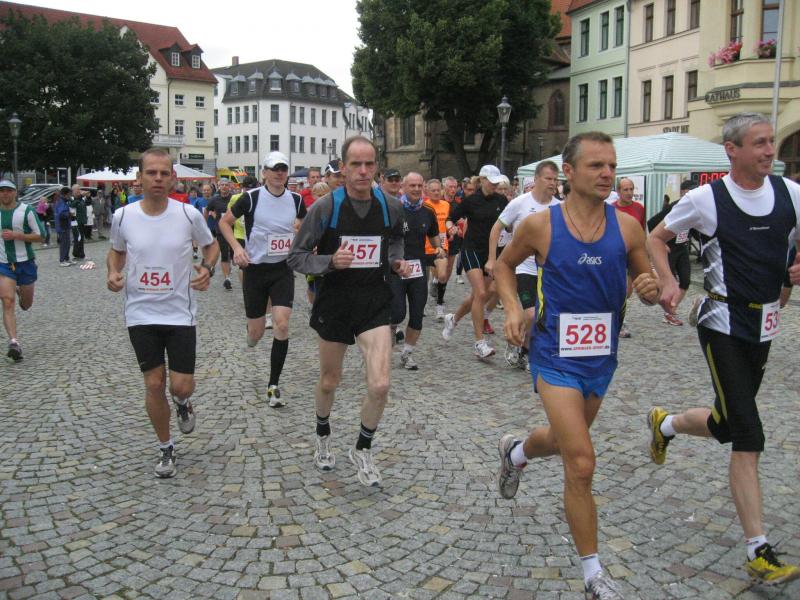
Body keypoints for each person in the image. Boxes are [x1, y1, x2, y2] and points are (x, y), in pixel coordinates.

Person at [494, 131, 660, 599]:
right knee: (582, 461)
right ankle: (593, 574)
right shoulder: (540, 225)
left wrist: (649, 289)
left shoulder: (628, 228)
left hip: (601, 357)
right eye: (596, 166)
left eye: (612, 166)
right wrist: (512, 308)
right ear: (568, 172)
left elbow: (645, 281)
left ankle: (516, 453)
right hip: (553, 354)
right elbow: (503, 266)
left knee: (564, 440)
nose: (607, 174)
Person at [647, 112, 800, 585]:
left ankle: (666, 424)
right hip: (721, 323)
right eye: (760, 143)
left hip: (765, 323)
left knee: (726, 422)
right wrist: (668, 280)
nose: (770, 151)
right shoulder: (705, 200)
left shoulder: (791, 194)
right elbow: (656, 238)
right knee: (748, 434)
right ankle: (758, 551)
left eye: (771, 142)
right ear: (732, 150)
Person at [288, 136, 410, 487]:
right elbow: (296, 256)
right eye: (355, 164)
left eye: (369, 164)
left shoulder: (390, 205)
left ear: (376, 166)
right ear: (343, 167)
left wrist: (396, 261)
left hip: (374, 302)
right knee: (330, 380)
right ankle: (323, 435)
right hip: (335, 302)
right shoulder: (326, 207)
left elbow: (396, 239)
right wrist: (329, 261)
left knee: (381, 384)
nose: (363, 171)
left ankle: (363, 449)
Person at [107, 148, 219, 479]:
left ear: (173, 177)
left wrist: (207, 268)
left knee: (181, 386)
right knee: (154, 383)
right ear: (139, 177)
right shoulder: (123, 216)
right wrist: (113, 272)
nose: (157, 178)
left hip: (180, 313)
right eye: (151, 173)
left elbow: (211, 246)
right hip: (140, 313)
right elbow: (116, 252)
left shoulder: (188, 214)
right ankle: (165, 446)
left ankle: (183, 403)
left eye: (164, 173)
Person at [220, 155, 306, 408]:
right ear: (264, 172)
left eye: (283, 169)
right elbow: (224, 223)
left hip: (282, 270)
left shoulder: (296, 199)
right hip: (255, 271)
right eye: (274, 169)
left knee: (282, 324)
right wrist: (237, 248)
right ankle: (252, 332)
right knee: (256, 333)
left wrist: (300, 237)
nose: (279, 173)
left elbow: (303, 224)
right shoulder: (251, 198)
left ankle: (273, 385)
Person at [487, 160, 561, 369]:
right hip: (523, 267)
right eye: (548, 178)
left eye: (555, 179)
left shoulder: (559, 207)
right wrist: (492, 259)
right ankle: (520, 345)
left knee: (544, 316)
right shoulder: (520, 203)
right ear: (536, 179)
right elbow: (496, 228)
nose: (552, 183)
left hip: (548, 270)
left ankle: (524, 349)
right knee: (530, 313)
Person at [441, 165, 508, 359]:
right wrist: (451, 227)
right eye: (491, 182)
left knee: (478, 296)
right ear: (482, 180)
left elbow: (509, 223)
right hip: (471, 250)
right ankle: (480, 343)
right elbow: (450, 218)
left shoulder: (501, 200)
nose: (494, 185)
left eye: (497, 182)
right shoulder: (471, 201)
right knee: (481, 293)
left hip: (490, 253)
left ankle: (453, 318)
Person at [391, 172, 444, 370]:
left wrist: (439, 248)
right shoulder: (394, 209)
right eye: (412, 185)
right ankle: (386, 345)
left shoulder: (428, 212)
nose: (416, 189)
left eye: (419, 186)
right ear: (403, 187)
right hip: (396, 269)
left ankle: (407, 353)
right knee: (396, 313)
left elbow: (434, 236)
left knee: (417, 315)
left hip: (418, 269)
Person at [0, 179, 44, 362]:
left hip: (25, 263)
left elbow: (41, 236)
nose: (5, 194)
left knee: (26, 304)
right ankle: (14, 342)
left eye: (8, 190)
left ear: (15, 192)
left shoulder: (27, 210)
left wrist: (17, 235)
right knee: (7, 301)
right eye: (1, 191)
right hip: (4, 264)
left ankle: (20, 292)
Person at [647, 179, 697, 325]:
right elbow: (651, 223)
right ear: (682, 193)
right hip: (670, 249)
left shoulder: (696, 207)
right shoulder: (674, 207)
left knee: (685, 281)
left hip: (682, 248)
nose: (692, 195)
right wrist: (660, 243)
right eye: (688, 192)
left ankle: (671, 310)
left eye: (694, 191)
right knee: (670, 282)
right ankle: (668, 313)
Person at [423, 178, 450, 320]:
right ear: (427, 191)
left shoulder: (446, 205)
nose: (436, 193)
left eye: (438, 190)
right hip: (424, 248)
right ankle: (422, 304)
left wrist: (451, 228)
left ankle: (440, 306)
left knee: (443, 276)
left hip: (440, 247)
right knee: (423, 280)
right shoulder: (423, 206)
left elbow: (448, 221)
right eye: (433, 190)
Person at [204, 178, 234, 290]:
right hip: (221, 230)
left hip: (235, 230)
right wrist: (204, 223)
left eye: (226, 185)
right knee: (224, 254)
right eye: (222, 185)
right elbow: (207, 210)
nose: (224, 187)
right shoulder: (215, 200)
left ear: (229, 186)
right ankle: (227, 279)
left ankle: (230, 265)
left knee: (234, 256)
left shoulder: (234, 198)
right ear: (219, 187)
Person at [54, 188, 72, 266]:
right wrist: (69, 214)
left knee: (68, 243)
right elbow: (61, 214)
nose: (70, 196)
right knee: (64, 244)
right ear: (66, 194)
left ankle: (66, 258)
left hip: (65, 225)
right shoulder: (61, 202)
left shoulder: (64, 201)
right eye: (69, 194)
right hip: (62, 226)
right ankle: (62, 260)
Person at [69, 184, 87, 261]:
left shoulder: (80, 199)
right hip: (75, 222)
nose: (79, 191)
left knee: (80, 238)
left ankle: (77, 253)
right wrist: (80, 196)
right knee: (78, 238)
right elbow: (72, 205)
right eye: (78, 189)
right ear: (73, 190)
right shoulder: (72, 198)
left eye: (79, 189)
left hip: (81, 221)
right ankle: (80, 254)